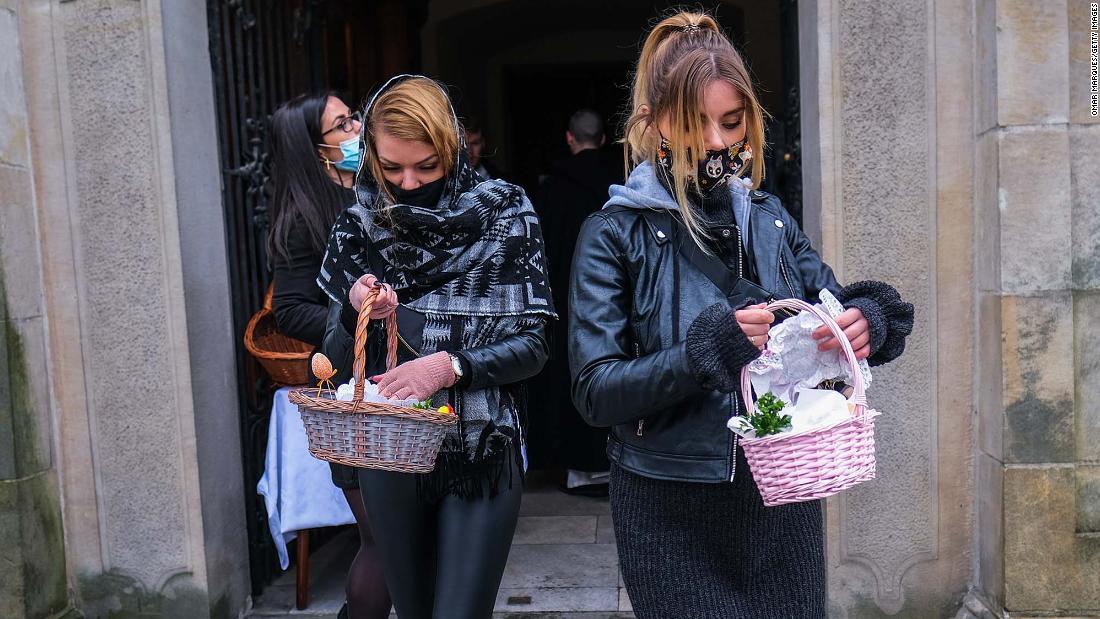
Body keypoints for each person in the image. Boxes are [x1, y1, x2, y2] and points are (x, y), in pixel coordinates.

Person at [568, 12, 914, 619]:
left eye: (731, 122)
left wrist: (866, 321)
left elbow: (835, 303)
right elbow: (596, 391)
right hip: (669, 508)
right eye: (695, 123)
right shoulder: (612, 234)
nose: (719, 142)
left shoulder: (770, 218)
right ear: (656, 124)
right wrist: (709, 351)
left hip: (783, 501)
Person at [317, 75, 555, 619]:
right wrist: (356, 305)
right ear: (372, 158)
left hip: (481, 448)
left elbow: (535, 346)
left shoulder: (505, 214)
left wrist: (450, 366)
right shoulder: (358, 225)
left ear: (454, 150)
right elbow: (333, 359)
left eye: (427, 167)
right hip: (392, 449)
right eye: (393, 167)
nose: (409, 183)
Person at [268, 93, 392, 619]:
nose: (358, 127)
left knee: (409, 534)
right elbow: (290, 310)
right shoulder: (303, 219)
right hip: (356, 385)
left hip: (408, 376)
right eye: (343, 124)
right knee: (382, 536)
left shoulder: (381, 189)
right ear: (317, 150)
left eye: (353, 116)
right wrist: (352, 316)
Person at [531, 109, 621, 495]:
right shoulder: (621, 183)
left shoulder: (552, 188)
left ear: (570, 139)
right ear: (603, 140)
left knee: (572, 372)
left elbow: (540, 250)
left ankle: (577, 465)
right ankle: (613, 458)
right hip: (615, 295)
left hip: (564, 296)